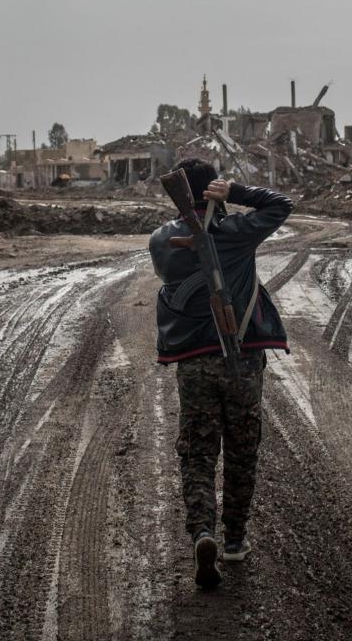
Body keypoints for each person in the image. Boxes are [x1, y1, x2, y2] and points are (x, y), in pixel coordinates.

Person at [148, 158, 293, 589]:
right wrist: (236, 194)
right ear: (211, 188)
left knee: (196, 452)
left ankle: (202, 532)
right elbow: (280, 205)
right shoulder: (233, 234)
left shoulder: (162, 240)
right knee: (242, 449)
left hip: (193, 362)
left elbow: (170, 263)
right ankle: (233, 540)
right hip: (243, 359)